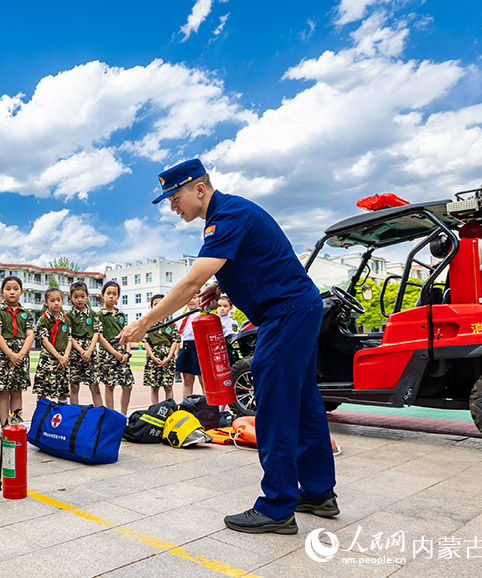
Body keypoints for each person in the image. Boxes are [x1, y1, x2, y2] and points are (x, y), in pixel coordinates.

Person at [120, 158, 336, 535]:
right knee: (303, 402)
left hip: (283, 315)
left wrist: (144, 322)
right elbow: (256, 261)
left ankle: (277, 506)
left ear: (199, 189)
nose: (173, 207)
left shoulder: (226, 216)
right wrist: (221, 287)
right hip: (297, 309)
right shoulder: (233, 212)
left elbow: (188, 283)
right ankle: (318, 493)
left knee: (274, 407)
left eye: (175, 197)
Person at [0, 276, 34, 426]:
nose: (12, 292)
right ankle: (4, 426)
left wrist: (20, 354)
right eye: (8, 289)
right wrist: (10, 354)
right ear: (2, 292)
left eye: (15, 289)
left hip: (21, 355)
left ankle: (15, 423)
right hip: (3, 356)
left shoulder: (26, 313)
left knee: (17, 390)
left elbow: (30, 334)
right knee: (3, 392)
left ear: (21, 292)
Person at [97, 281, 133, 414]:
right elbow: (100, 337)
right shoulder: (99, 315)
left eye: (114, 294)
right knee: (110, 385)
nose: (111, 296)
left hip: (122, 352)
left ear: (118, 296)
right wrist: (115, 353)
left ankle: (123, 415)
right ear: (102, 295)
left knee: (127, 386)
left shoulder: (121, 315)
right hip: (108, 353)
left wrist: (127, 353)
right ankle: (111, 416)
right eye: (108, 293)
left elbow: (127, 334)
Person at [33, 287, 71, 404]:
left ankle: (62, 418)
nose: (56, 303)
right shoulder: (43, 319)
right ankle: (41, 418)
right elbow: (44, 340)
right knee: (43, 390)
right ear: (46, 302)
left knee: (63, 391)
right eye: (52, 300)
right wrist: (58, 356)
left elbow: (69, 339)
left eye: (58, 300)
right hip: (48, 360)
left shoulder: (65, 320)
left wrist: (65, 357)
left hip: (63, 361)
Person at [67, 281, 102, 406]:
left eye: (82, 296)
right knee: (74, 387)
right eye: (76, 297)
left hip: (91, 352)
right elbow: (69, 336)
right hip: (75, 353)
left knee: (95, 386)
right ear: (71, 297)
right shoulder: (68, 315)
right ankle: (75, 414)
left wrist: (89, 351)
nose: (79, 300)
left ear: (87, 295)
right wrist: (81, 351)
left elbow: (96, 333)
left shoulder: (93, 315)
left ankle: (100, 414)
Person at [142, 294, 179, 404]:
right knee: (154, 386)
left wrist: (169, 357)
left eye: (161, 304)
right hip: (153, 356)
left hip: (167, 356)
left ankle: (169, 407)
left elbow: (174, 341)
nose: (158, 306)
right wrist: (152, 356)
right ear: (151, 307)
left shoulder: (171, 323)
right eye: (155, 304)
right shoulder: (148, 323)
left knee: (168, 386)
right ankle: (155, 409)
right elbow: (145, 342)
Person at [176, 295, 204, 399]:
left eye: (195, 298)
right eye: (189, 298)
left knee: (203, 380)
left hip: (199, 347)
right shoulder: (184, 316)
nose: (191, 301)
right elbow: (180, 336)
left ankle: (208, 407)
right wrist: (177, 353)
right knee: (187, 380)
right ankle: (186, 404)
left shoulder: (203, 314)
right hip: (186, 347)